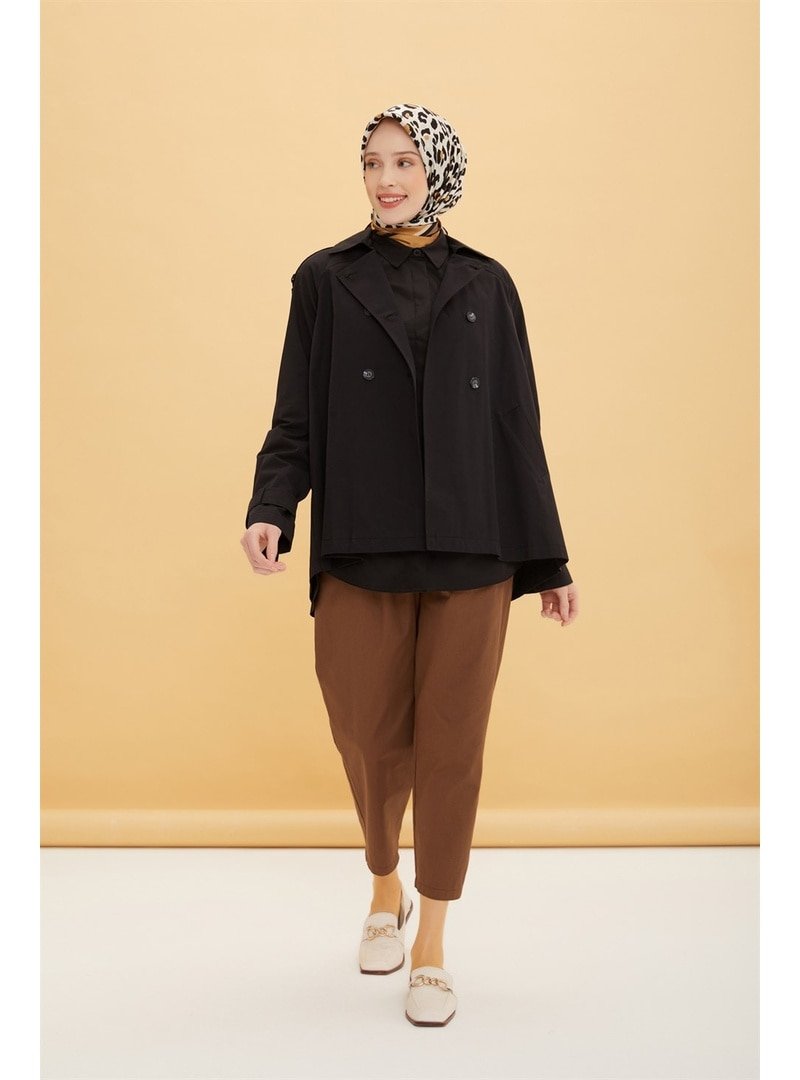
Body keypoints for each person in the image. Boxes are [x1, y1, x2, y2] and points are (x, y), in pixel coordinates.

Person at [240, 103, 579, 1027]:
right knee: (366, 731)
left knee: (453, 746)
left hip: (476, 548)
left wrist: (548, 559)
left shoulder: (488, 284)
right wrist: (273, 507)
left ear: (438, 172)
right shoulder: (325, 279)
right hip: (363, 541)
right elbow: (295, 416)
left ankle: (432, 938)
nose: (386, 180)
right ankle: (383, 880)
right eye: (371, 162)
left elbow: (515, 426)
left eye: (404, 163)